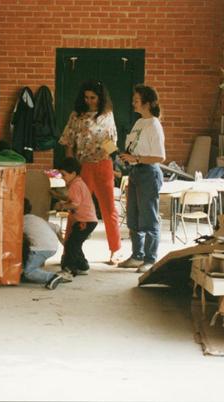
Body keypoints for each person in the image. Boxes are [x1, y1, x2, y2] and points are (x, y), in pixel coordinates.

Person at [59, 80, 121, 265]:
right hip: (83, 165)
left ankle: (115, 250)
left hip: (104, 164)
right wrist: (70, 168)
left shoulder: (107, 115)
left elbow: (110, 142)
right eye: (86, 97)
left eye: (93, 98)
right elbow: (69, 142)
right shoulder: (76, 115)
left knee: (109, 208)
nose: (89, 101)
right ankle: (68, 251)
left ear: (100, 98)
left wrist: (117, 161)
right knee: (76, 208)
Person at [118, 84, 166, 273]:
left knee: (149, 217)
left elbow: (160, 157)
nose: (133, 103)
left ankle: (150, 258)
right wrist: (126, 157)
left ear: (147, 103)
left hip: (149, 172)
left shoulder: (154, 124)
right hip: (136, 172)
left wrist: (136, 158)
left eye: (136, 100)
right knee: (134, 216)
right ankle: (137, 256)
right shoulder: (139, 123)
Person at [57, 157, 98, 276]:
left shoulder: (75, 185)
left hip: (85, 221)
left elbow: (75, 204)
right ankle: (83, 266)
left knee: (72, 244)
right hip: (86, 220)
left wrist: (63, 206)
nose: (62, 178)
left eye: (63, 174)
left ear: (73, 173)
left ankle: (70, 268)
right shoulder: (78, 182)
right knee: (74, 243)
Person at [22, 198, 71, 290]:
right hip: (52, 247)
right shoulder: (35, 218)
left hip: (40, 249)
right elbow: (56, 227)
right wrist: (63, 243)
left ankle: (53, 277)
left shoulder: (20, 221)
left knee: (29, 272)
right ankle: (32, 274)